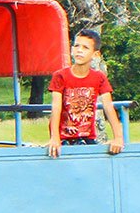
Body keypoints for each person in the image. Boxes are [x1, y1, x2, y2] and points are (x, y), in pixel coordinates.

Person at [46, 29, 125, 158]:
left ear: (95, 54)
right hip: (63, 139)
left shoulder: (99, 77)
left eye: (85, 47)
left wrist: (118, 138)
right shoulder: (60, 76)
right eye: (76, 46)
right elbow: (56, 108)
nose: (79, 50)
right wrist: (54, 138)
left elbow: (108, 107)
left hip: (87, 138)